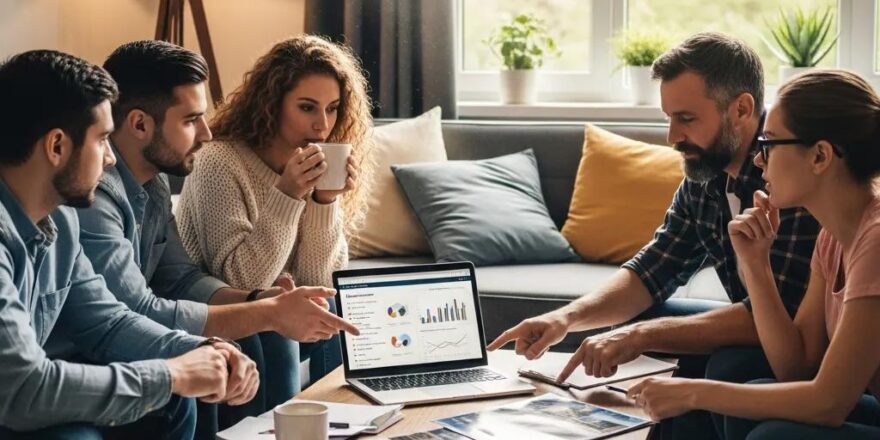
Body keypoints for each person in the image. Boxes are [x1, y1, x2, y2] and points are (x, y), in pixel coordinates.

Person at [486, 32, 820, 438]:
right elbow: (653, 269)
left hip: (800, 341)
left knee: (709, 356)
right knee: (636, 316)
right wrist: (564, 318)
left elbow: (777, 317)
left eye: (687, 118)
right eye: (669, 118)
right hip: (765, 326)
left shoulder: (794, 176)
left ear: (742, 109)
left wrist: (639, 336)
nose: (672, 137)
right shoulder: (705, 174)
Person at [72, 40, 358, 437]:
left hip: (165, 318)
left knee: (326, 316)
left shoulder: (151, 186)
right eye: (192, 120)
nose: (207, 133)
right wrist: (266, 310)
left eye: (332, 108)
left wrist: (265, 300)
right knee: (262, 334)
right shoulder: (98, 196)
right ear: (139, 124)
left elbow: (181, 278)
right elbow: (134, 309)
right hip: (103, 347)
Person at [0, 49, 258, 439]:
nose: (109, 159)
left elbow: (107, 322)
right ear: (56, 146)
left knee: (174, 399)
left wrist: (202, 349)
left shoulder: (62, 219)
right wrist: (172, 373)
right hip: (19, 401)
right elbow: (22, 389)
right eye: (103, 139)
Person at [629, 69, 880, 439]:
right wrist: (754, 262)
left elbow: (828, 402)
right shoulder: (832, 238)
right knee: (734, 374)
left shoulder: (874, 242)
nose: (760, 161)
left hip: (846, 402)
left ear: (820, 156)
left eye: (771, 144)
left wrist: (695, 393)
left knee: (770, 434)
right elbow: (797, 368)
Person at [176, 35, 373, 390]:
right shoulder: (219, 161)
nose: (322, 126)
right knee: (279, 327)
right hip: (222, 308)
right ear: (271, 103)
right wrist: (289, 193)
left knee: (342, 313)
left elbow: (322, 284)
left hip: (281, 311)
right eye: (307, 107)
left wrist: (324, 202)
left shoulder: (318, 166)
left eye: (332, 108)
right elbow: (243, 281)